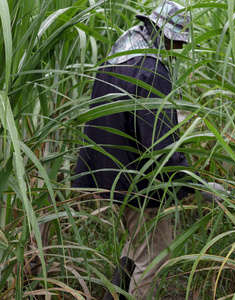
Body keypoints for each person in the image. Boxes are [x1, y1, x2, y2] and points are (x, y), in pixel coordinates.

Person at [72, 1, 222, 298]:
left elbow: (122, 119)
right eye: (178, 40)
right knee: (154, 256)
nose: (179, 47)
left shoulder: (122, 51)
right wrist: (200, 185)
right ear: (165, 34)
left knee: (137, 243)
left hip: (113, 171)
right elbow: (160, 147)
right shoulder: (151, 68)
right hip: (143, 182)